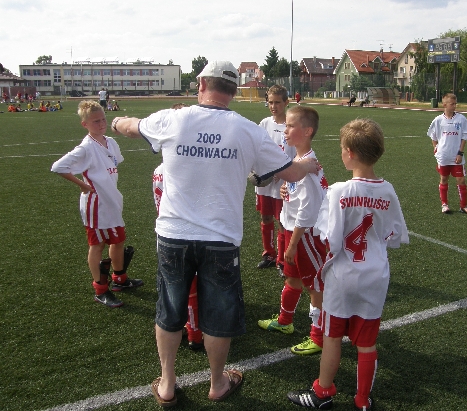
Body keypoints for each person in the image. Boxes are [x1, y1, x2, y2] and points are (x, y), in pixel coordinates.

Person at [110, 60, 319, 407]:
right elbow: (290, 173)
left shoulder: (174, 118)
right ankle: (217, 383)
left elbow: (130, 126)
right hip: (220, 239)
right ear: (234, 91)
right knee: (218, 315)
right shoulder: (249, 130)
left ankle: (167, 383)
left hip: (173, 234)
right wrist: (308, 164)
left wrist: (116, 121)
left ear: (202, 84)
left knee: (170, 310)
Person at [287, 118, 409, 411]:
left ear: (350, 153)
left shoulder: (339, 190)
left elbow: (327, 236)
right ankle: (362, 400)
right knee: (367, 343)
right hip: (375, 275)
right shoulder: (387, 190)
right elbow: (395, 235)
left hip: (342, 276)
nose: (341, 153)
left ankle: (323, 392)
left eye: (342, 148)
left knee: (331, 338)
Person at [50, 100, 143, 308]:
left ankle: (120, 279)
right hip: (96, 204)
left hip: (112, 200)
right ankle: (101, 289)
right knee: (97, 245)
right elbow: (58, 167)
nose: (101, 124)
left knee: (118, 241)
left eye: (103, 119)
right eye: (95, 121)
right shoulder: (86, 148)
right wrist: (82, 185)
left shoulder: (111, 142)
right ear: (85, 124)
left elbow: (113, 165)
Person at [258, 105, 328, 356]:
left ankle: (318, 336)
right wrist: (286, 190)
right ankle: (285, 321)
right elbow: (299, 197)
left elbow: (308, 211)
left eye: (290, 126)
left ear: (307, 131)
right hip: (293, 233)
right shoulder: (299, 163)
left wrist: (292, 243)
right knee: (292, 278)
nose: (285, 130)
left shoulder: (308, 167)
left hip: (304, 235)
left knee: (314, 286)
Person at [152, 103, 204, 352]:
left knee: (174, 286)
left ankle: (183, 326)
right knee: (194, 285)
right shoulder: (193, 167)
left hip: (168, 234)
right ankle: (195, 332)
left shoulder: (160, 169)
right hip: (192, 235)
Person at [255, 85, 296, 276]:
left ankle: (281, 260)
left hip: (283, 183)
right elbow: (257, 149)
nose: (273, 106)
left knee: (282, 220)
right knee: (265, 217)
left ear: (286, 102)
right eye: (270, 102)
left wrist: (286, 174)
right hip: (265, 182)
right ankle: (269, 254)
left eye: (277, 102)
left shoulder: (291, 126)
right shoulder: (264, 124)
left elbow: (296, 155)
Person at [427, 93, 467, 216]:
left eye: (455, 104)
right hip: (443, 156)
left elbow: (464, 137)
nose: (454, 106)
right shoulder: (438, 120)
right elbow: (433, 137)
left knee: (461, 180)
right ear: (445, 105)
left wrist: (460, 153)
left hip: (456, 157)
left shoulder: (461, 119)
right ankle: (444, 204)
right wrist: (436, 149)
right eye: (452, 104)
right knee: (444, 179)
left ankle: (463, 206)